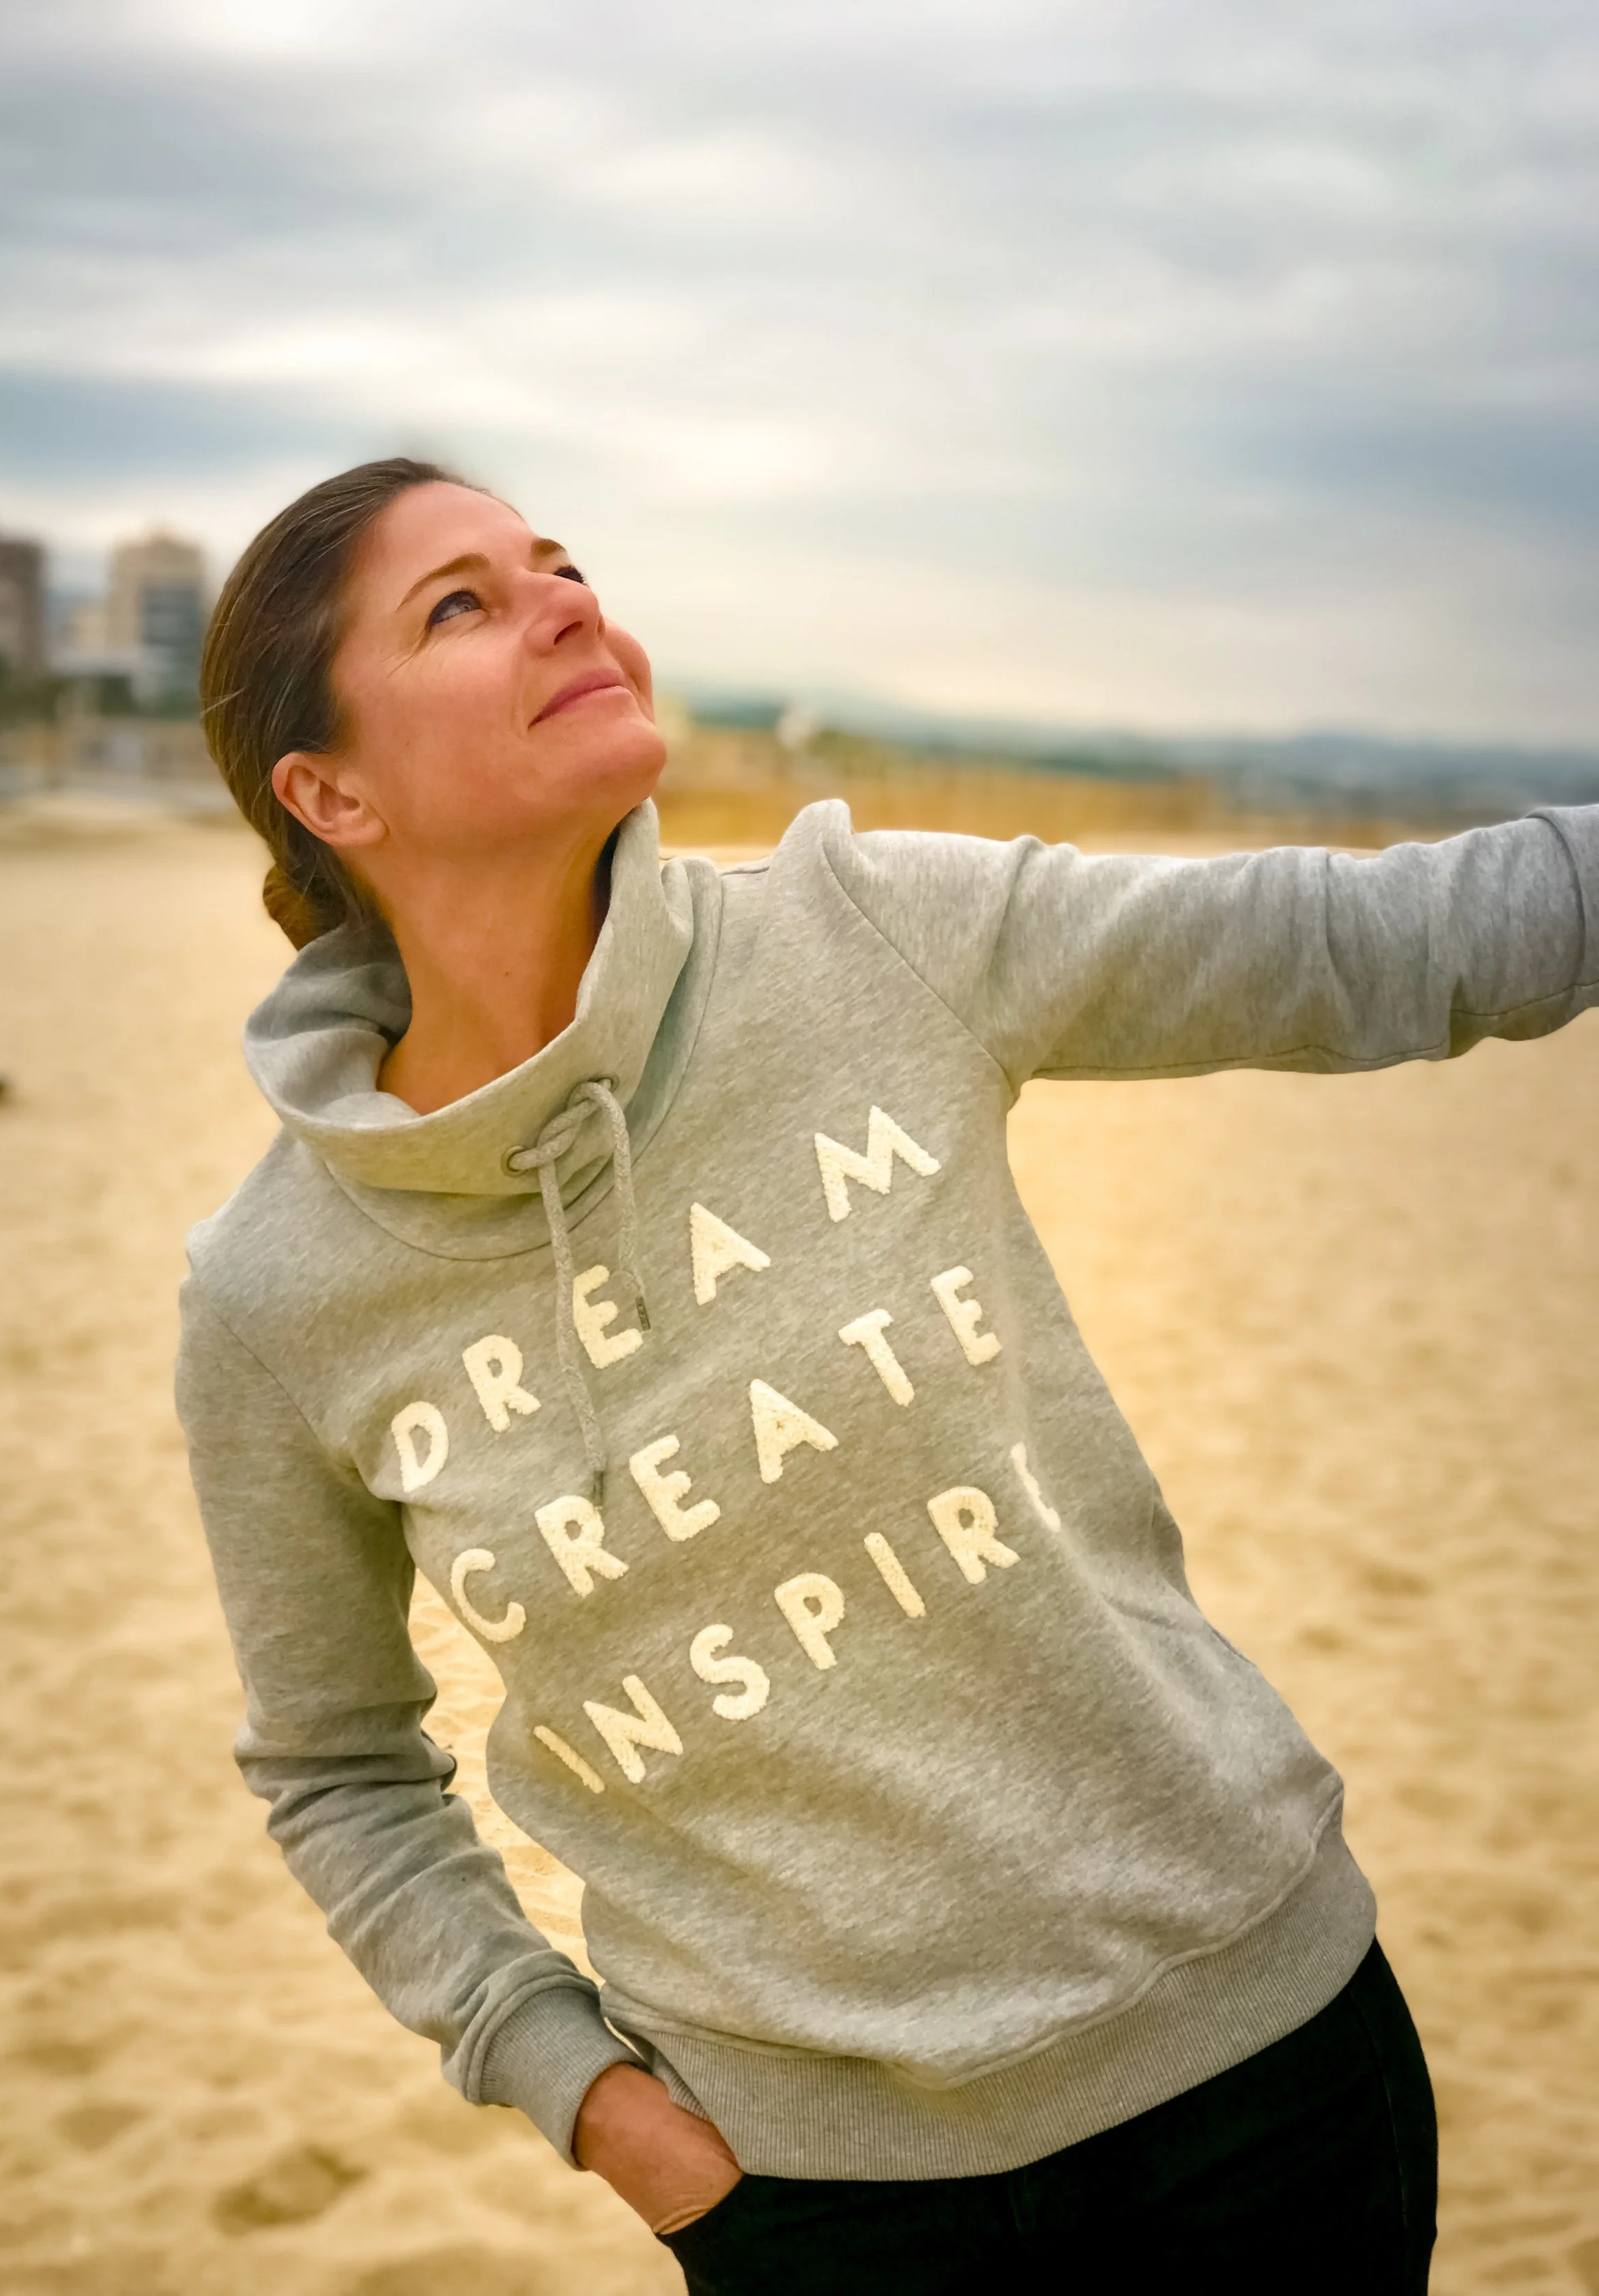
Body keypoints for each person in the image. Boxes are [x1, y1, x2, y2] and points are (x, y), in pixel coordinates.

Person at [177, 456, 1596, 2295]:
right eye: (461, 603)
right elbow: (337, 1764)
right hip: (815, 2203)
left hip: (1256, 2083)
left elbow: (1383, 948)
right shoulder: (276, 1292)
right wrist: (594, 2101)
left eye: (560, 563)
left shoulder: (873, 935)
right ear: (329, 791)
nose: (564, 602)